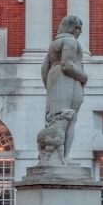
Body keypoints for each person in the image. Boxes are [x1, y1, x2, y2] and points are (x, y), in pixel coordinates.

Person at [42, 15, 87, 162]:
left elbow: (44, 69)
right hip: (68, 80)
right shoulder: (70, 41)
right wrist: (83, 77)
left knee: (54, 117)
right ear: (71, 28)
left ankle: (52, 156)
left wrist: (48, 87)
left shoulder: (54, 43)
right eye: (77, 28)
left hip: (53, 77)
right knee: (69, 118)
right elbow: (67, 65)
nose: (79, 32)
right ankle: (64, 156)